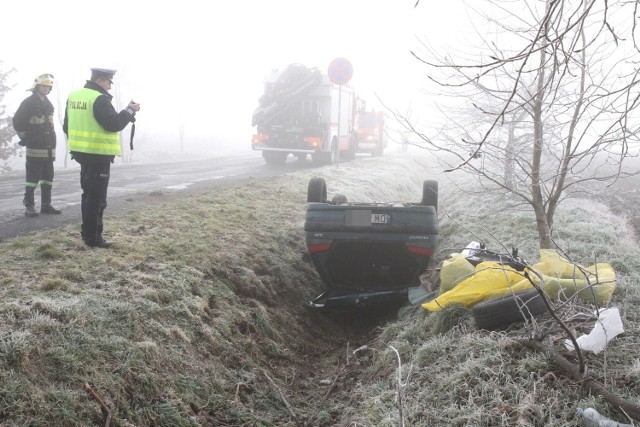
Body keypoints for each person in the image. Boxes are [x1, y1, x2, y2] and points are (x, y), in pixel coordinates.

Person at [63, 68, 140, 248]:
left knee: (88, 195)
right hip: (97, 155)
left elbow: (67, 126)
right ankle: (93, 238)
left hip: (82, 153)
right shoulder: (99, 99)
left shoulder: (74, 96)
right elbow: (113, 124)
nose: (110, 87)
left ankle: (88, 234)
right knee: (97, 199)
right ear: (99, 81)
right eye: (108, 82)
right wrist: (129, 111)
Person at [13, 73, 61, 216]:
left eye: (48, 86)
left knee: (48, 178)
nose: (46, 89)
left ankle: (46, 205)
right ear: (37, 87)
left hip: (48, 148)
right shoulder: (28, 103)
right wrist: (27, 138)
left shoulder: (48, 103)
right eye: (43, 86)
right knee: (32, 179)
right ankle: (29, 206)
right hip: (35, 148)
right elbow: (17, 122)